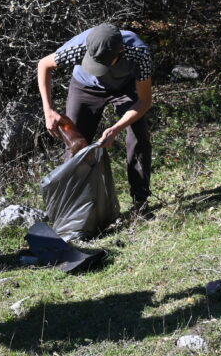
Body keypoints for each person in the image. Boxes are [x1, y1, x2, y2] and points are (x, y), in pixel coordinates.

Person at [37, 23, 153, 214]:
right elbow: (44, 64)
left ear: (121, 51)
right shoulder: (79, 47)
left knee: (138, 136)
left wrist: (116, 128)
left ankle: (140, 202)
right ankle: (72, 210)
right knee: (75, 145)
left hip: (125, 87)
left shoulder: (139, 53)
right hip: (85, 86)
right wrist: (48, 110)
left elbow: (144, 101)